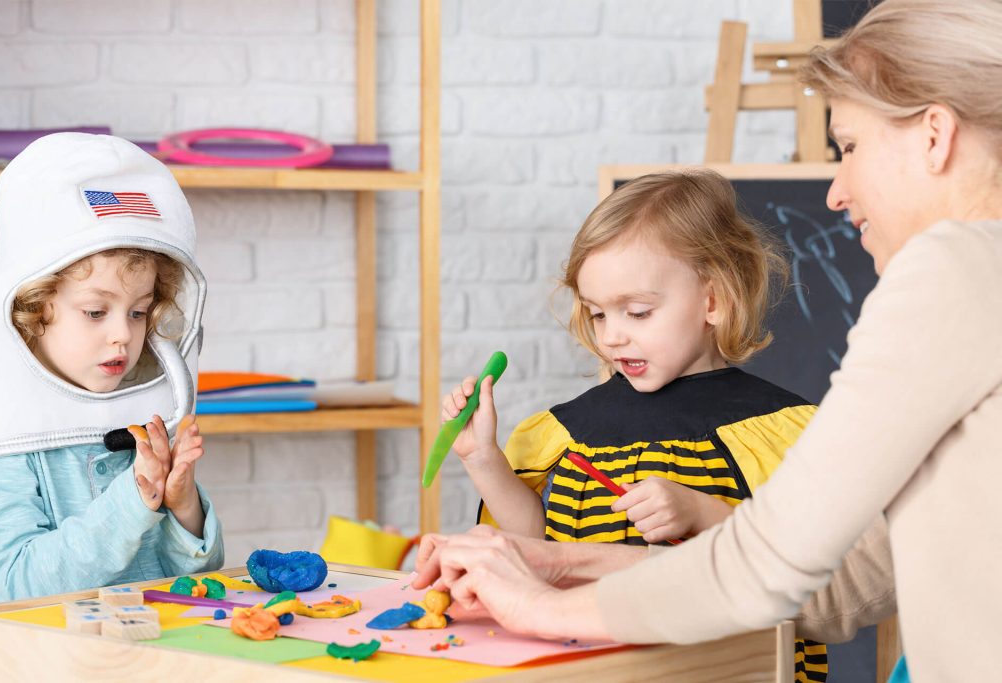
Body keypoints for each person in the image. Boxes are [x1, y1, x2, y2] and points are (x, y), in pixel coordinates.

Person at [413, 1, 1002, 680]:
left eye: (850, 146)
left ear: (934, 134)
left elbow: (772, 563)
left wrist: (541, 608)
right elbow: (847, 580)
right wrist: (561, 559)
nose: (837, 191)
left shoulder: (957, 266)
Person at [443, 169, 828, 680]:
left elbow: (806, 570)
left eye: (638, 312)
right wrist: (482, 458)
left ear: (712, 301)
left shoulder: (778, 431)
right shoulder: (569, 431)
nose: (613, 338)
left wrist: (700, 511)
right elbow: (538, 545)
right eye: (599, 315)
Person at [0, 133, 224, 604]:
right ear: (30, 310)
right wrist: (133, 500)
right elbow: (17, 588)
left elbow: (198, 581)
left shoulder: (144, 419)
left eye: (138, 313)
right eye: (95, 311)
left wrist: (182, 504)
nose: (124, 336)